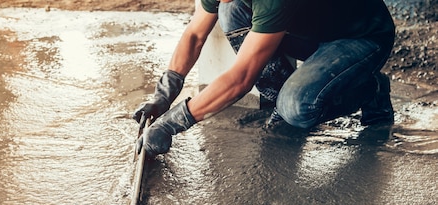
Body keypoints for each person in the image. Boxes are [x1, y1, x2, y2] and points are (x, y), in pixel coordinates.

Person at [133, 0, 396, 156]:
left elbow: (241, 78)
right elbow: (194, 35)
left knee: (297, 108)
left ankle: (370, 88)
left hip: (359, 38)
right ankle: (281, 96)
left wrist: (172, 123)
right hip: (313, 30)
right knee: (231, 9)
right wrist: (164, 93)